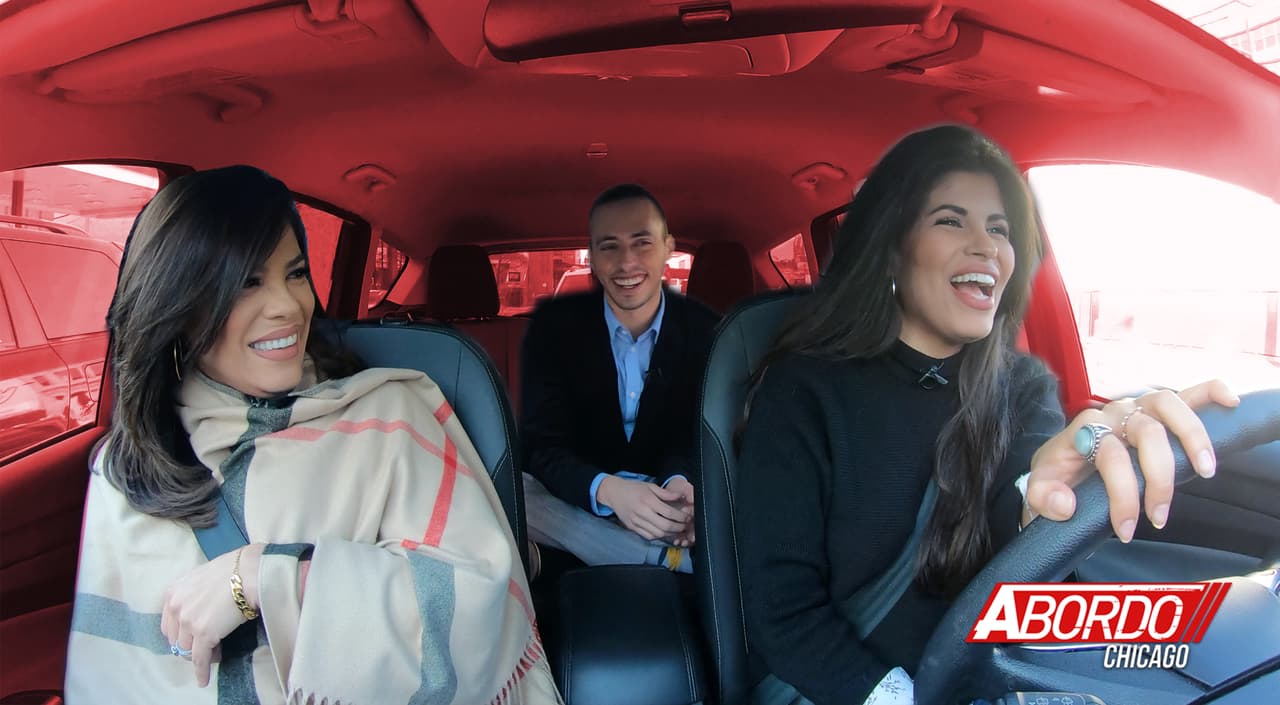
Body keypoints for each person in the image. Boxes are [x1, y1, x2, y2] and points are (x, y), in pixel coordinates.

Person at [735, 125, 1238, 705]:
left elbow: (1025, 508)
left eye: (1000, 229)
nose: (987, 247)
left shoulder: (1023, 386)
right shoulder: (804, 390)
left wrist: (1043, 503)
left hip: (992, 678)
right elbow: (782, 612)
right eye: (951, 221)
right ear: (893, 246)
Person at [65, 166, 561, 705]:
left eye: (296, 273)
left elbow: (478, 606)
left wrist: (266, 578)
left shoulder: (390, 417)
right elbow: (106, 676)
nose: (287, 305)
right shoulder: (127, 466)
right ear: (178, 305)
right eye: (247, 282)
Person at [520, 184, 720, 574]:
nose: (627, 263)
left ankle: (578, 552)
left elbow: (696, 436)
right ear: (593, 258)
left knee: (727, 488)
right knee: (509, 489)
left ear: (668, 248)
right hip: (575, 494)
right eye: (609, 247)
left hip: (662, 496)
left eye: (642, 243)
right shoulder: (553, 331)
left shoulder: (706, 332)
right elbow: (543, 448)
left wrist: (680, 485)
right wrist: (608, 492)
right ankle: (658, 557)